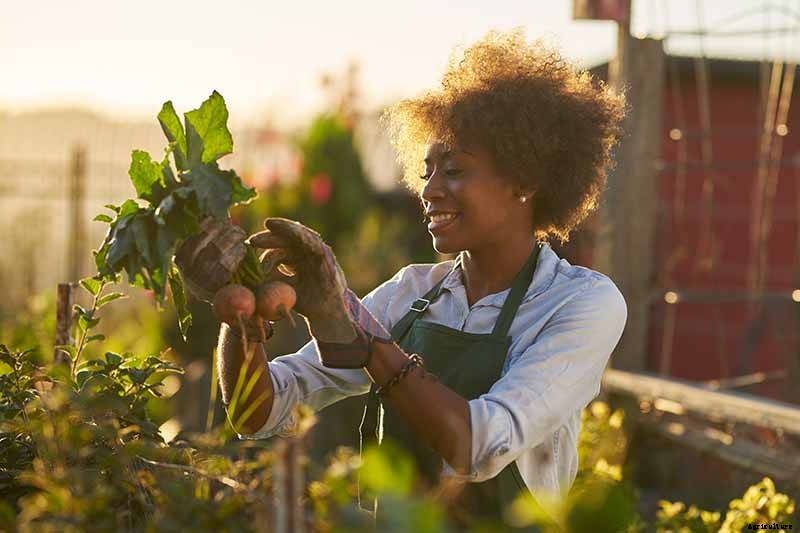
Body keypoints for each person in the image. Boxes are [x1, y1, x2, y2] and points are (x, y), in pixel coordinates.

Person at [178, 27, 627, 530]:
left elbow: (477, 446)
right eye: (426, 170)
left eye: (454, 170)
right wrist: (240, 312)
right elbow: (257, 413)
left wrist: (364, 338)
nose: (429, 190)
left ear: (524, 180)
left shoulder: (580, 303)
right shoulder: (412, 294)